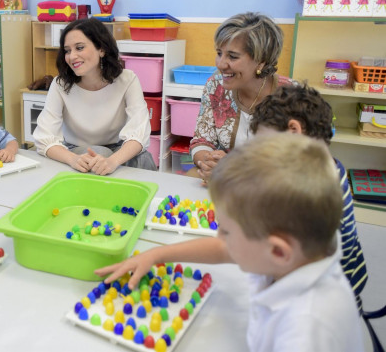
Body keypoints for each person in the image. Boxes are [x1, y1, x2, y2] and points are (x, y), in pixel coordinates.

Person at [96, 133, 364, 351]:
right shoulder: (303, 247)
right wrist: (155, 255)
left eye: (226, 230)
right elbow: (225, 249)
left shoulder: (305, 330)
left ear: (278, 251)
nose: (219, 238)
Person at [250, 83, 367, 310]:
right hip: (346, 286)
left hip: (328, 304)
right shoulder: (331, 167)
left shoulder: (312, 199)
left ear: (294, 131)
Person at [33, 18, 155, 175]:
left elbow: (140, 134)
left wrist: (112, 162)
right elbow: (44, 139)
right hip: (74, 151)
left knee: (143, 158)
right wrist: (73, 159)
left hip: (117, 150)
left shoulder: (127, 79)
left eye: (80, 48)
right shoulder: (60, 84)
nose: (72, 56)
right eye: (67, 51)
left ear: (102, 49)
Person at [190, 12, 295, 182]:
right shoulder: (215, 86)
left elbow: (299, 162)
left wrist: (235, 169)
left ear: (261, 61)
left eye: (232, 56)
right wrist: (209, 163)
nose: (221, 64)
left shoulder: (291, 95)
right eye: (219, 53)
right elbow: (202, 140)